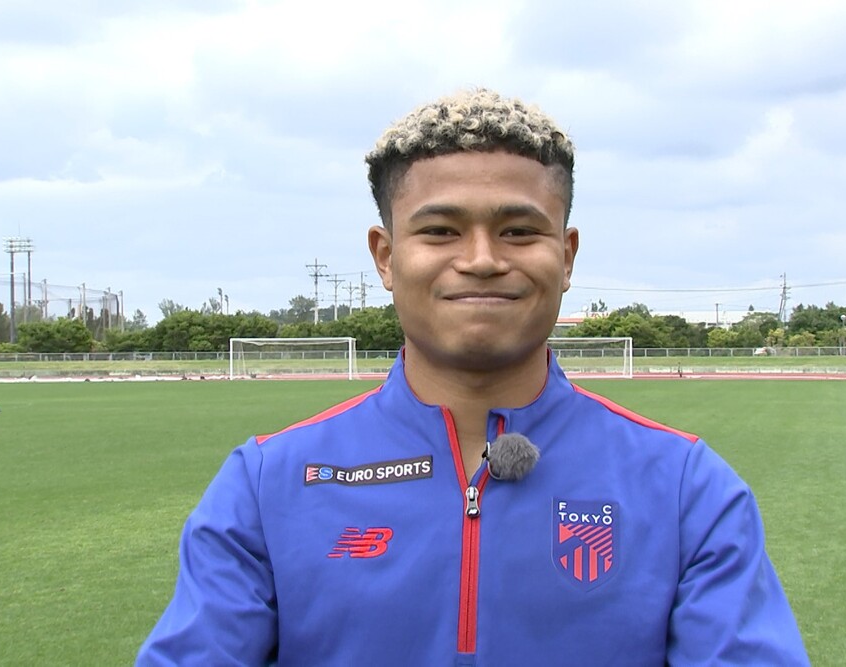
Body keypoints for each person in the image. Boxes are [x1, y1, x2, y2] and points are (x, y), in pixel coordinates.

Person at [137, 88, 809, 665]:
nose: (482, 259)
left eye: (519, 231)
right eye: (440, 231)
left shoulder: (688, 490)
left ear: (566, 255)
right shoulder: (267, 485)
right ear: (385, 256)